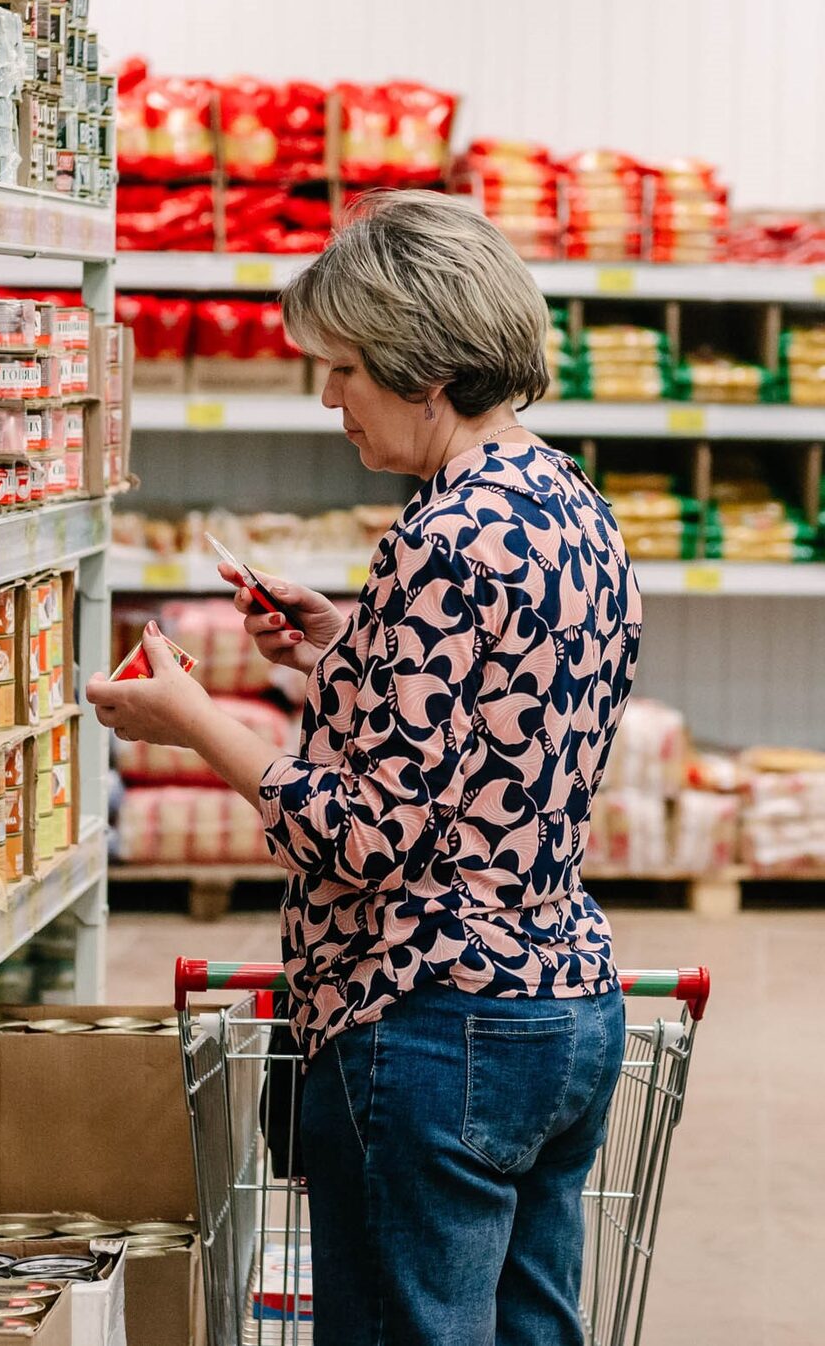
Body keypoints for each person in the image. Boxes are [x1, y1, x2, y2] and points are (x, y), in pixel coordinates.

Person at [87, 190, 640, 1346]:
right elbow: (504, 720)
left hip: (436, 1021)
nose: (327, 397)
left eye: (342, 367)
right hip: (565, 1005)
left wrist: (194, 719)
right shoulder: (567, 503)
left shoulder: (439, 539)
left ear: (424, 371)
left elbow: (361, 838)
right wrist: (352, 650)